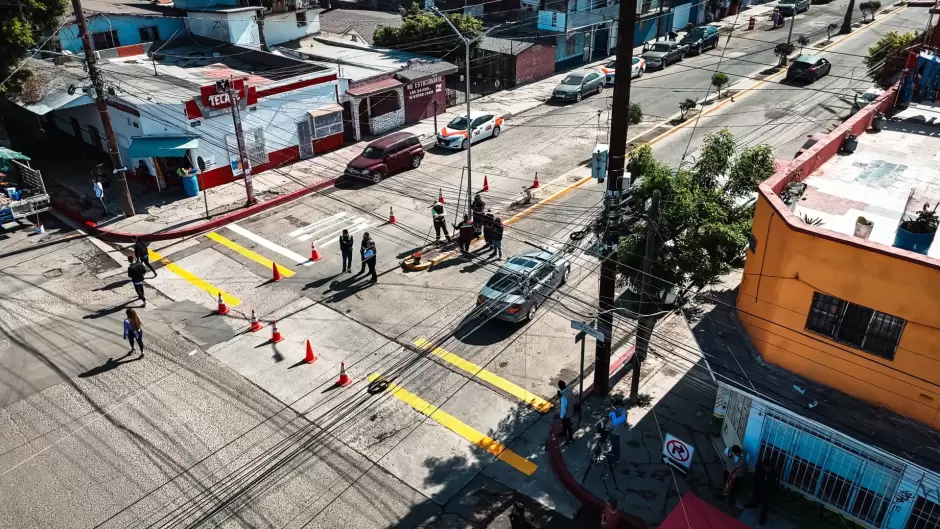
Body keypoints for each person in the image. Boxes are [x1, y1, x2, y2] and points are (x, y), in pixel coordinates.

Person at [746, 459, 780, 525]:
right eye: (766, 467)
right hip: (758, 488)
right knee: (756, 499)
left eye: (769, 467)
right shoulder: (760, 467)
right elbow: (756, 475)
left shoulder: (774, 472)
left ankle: (762, 518)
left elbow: (776, 482)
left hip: (767, 491)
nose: (767, 469)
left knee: (765, 505)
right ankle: (753, 505)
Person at [723, 444, 748, 509]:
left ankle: (732, 500)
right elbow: (726, 456)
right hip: (728, 473)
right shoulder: (729, 451)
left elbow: (747, 466)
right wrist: (728, 468)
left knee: (735, 488)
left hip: (738, 476)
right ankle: (724, 496)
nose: (739, 454)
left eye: (739, 453)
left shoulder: (745, 455)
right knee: (726, 484)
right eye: (737, 454)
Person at [557, 380, 574, 444]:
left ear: (559, 387)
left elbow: (563, 408)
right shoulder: (568, 389)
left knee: (567, 425)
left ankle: (570, 438)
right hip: (571, 408)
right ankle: (564, 432)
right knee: (565, 423)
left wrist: (561, 417)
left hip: (567, 413)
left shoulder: (563, 398)